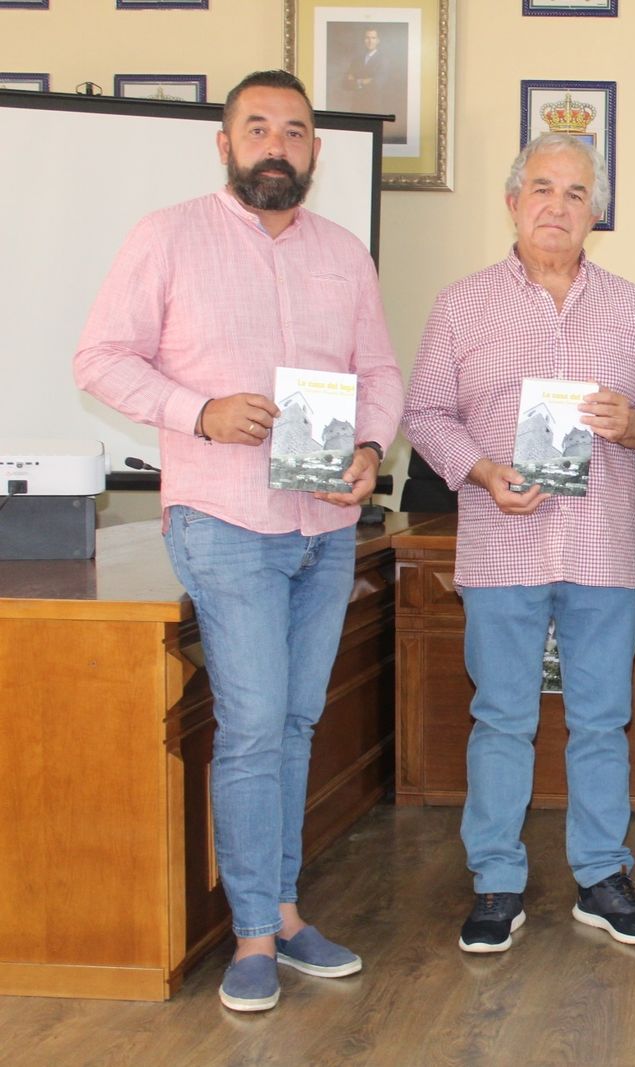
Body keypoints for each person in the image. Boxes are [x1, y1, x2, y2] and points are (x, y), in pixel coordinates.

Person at [74, 70, 402, 1013]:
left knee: (295, 722)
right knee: (256, 725)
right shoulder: (167, 236)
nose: (275, 144)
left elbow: (377, 369)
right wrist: (199, 410)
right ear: (224, 143)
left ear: (314, 151)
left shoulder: (343, 253)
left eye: (294, 131)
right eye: (256, 127)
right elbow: (99, 358)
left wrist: (373, 446)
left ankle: (286, 911)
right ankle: (254, 935)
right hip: (224, 520)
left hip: (325, 526)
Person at [403, 133, 635, 955]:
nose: (559, 206)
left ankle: (602, 875)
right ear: (513, 201)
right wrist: (482, 470)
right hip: (502, 544)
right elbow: (423, 414)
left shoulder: (630, 304)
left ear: (597, 210)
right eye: (543, 189)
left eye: (577, 192)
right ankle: (496, 881)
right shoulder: (462, 304)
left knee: (603, 719)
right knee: (500, 718)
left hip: (601, 545)